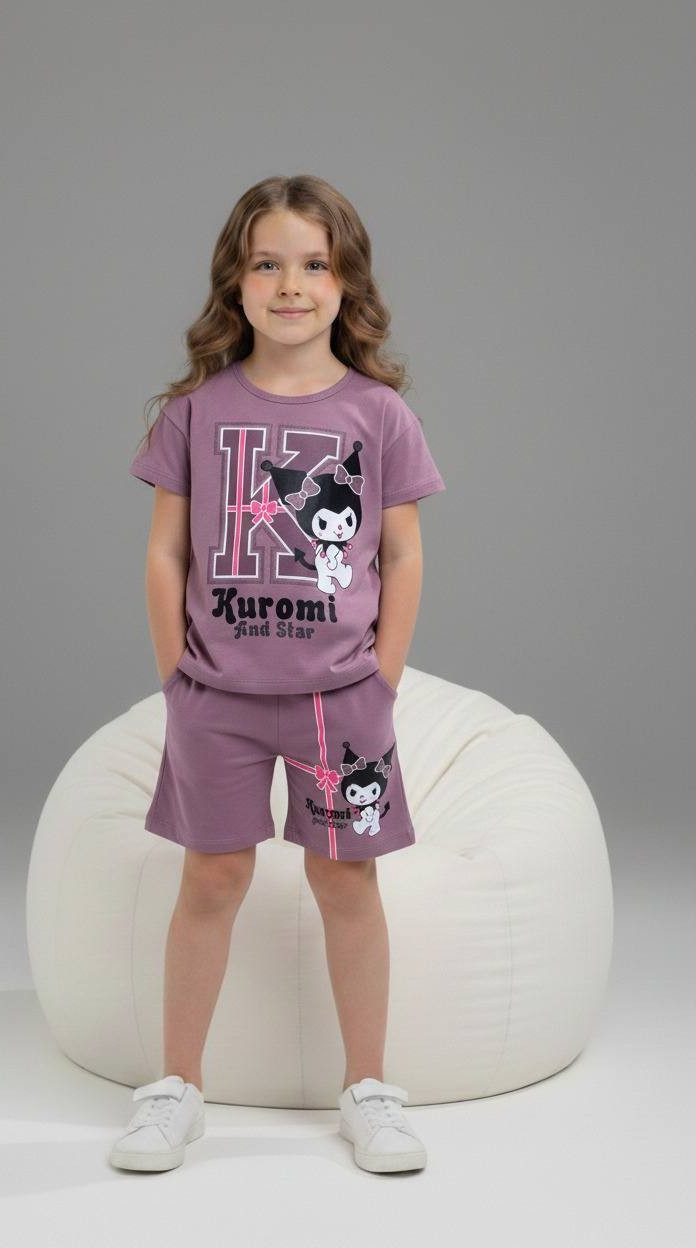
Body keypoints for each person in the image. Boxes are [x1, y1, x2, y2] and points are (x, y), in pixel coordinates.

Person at [110, 174, 446, 1175]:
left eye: (313, 265)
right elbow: (165, 551)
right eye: (268, 264)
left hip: (340, 702)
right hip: (216, 699)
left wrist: (380, 682)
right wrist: (177, 678)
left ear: (346, 284)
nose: (290, 286)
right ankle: (176, 1089)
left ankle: (369, 1089)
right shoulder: (195, 412)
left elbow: (403, 556)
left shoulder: (378, 416)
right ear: (237, 280)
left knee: (347, 880)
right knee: (210, 877)